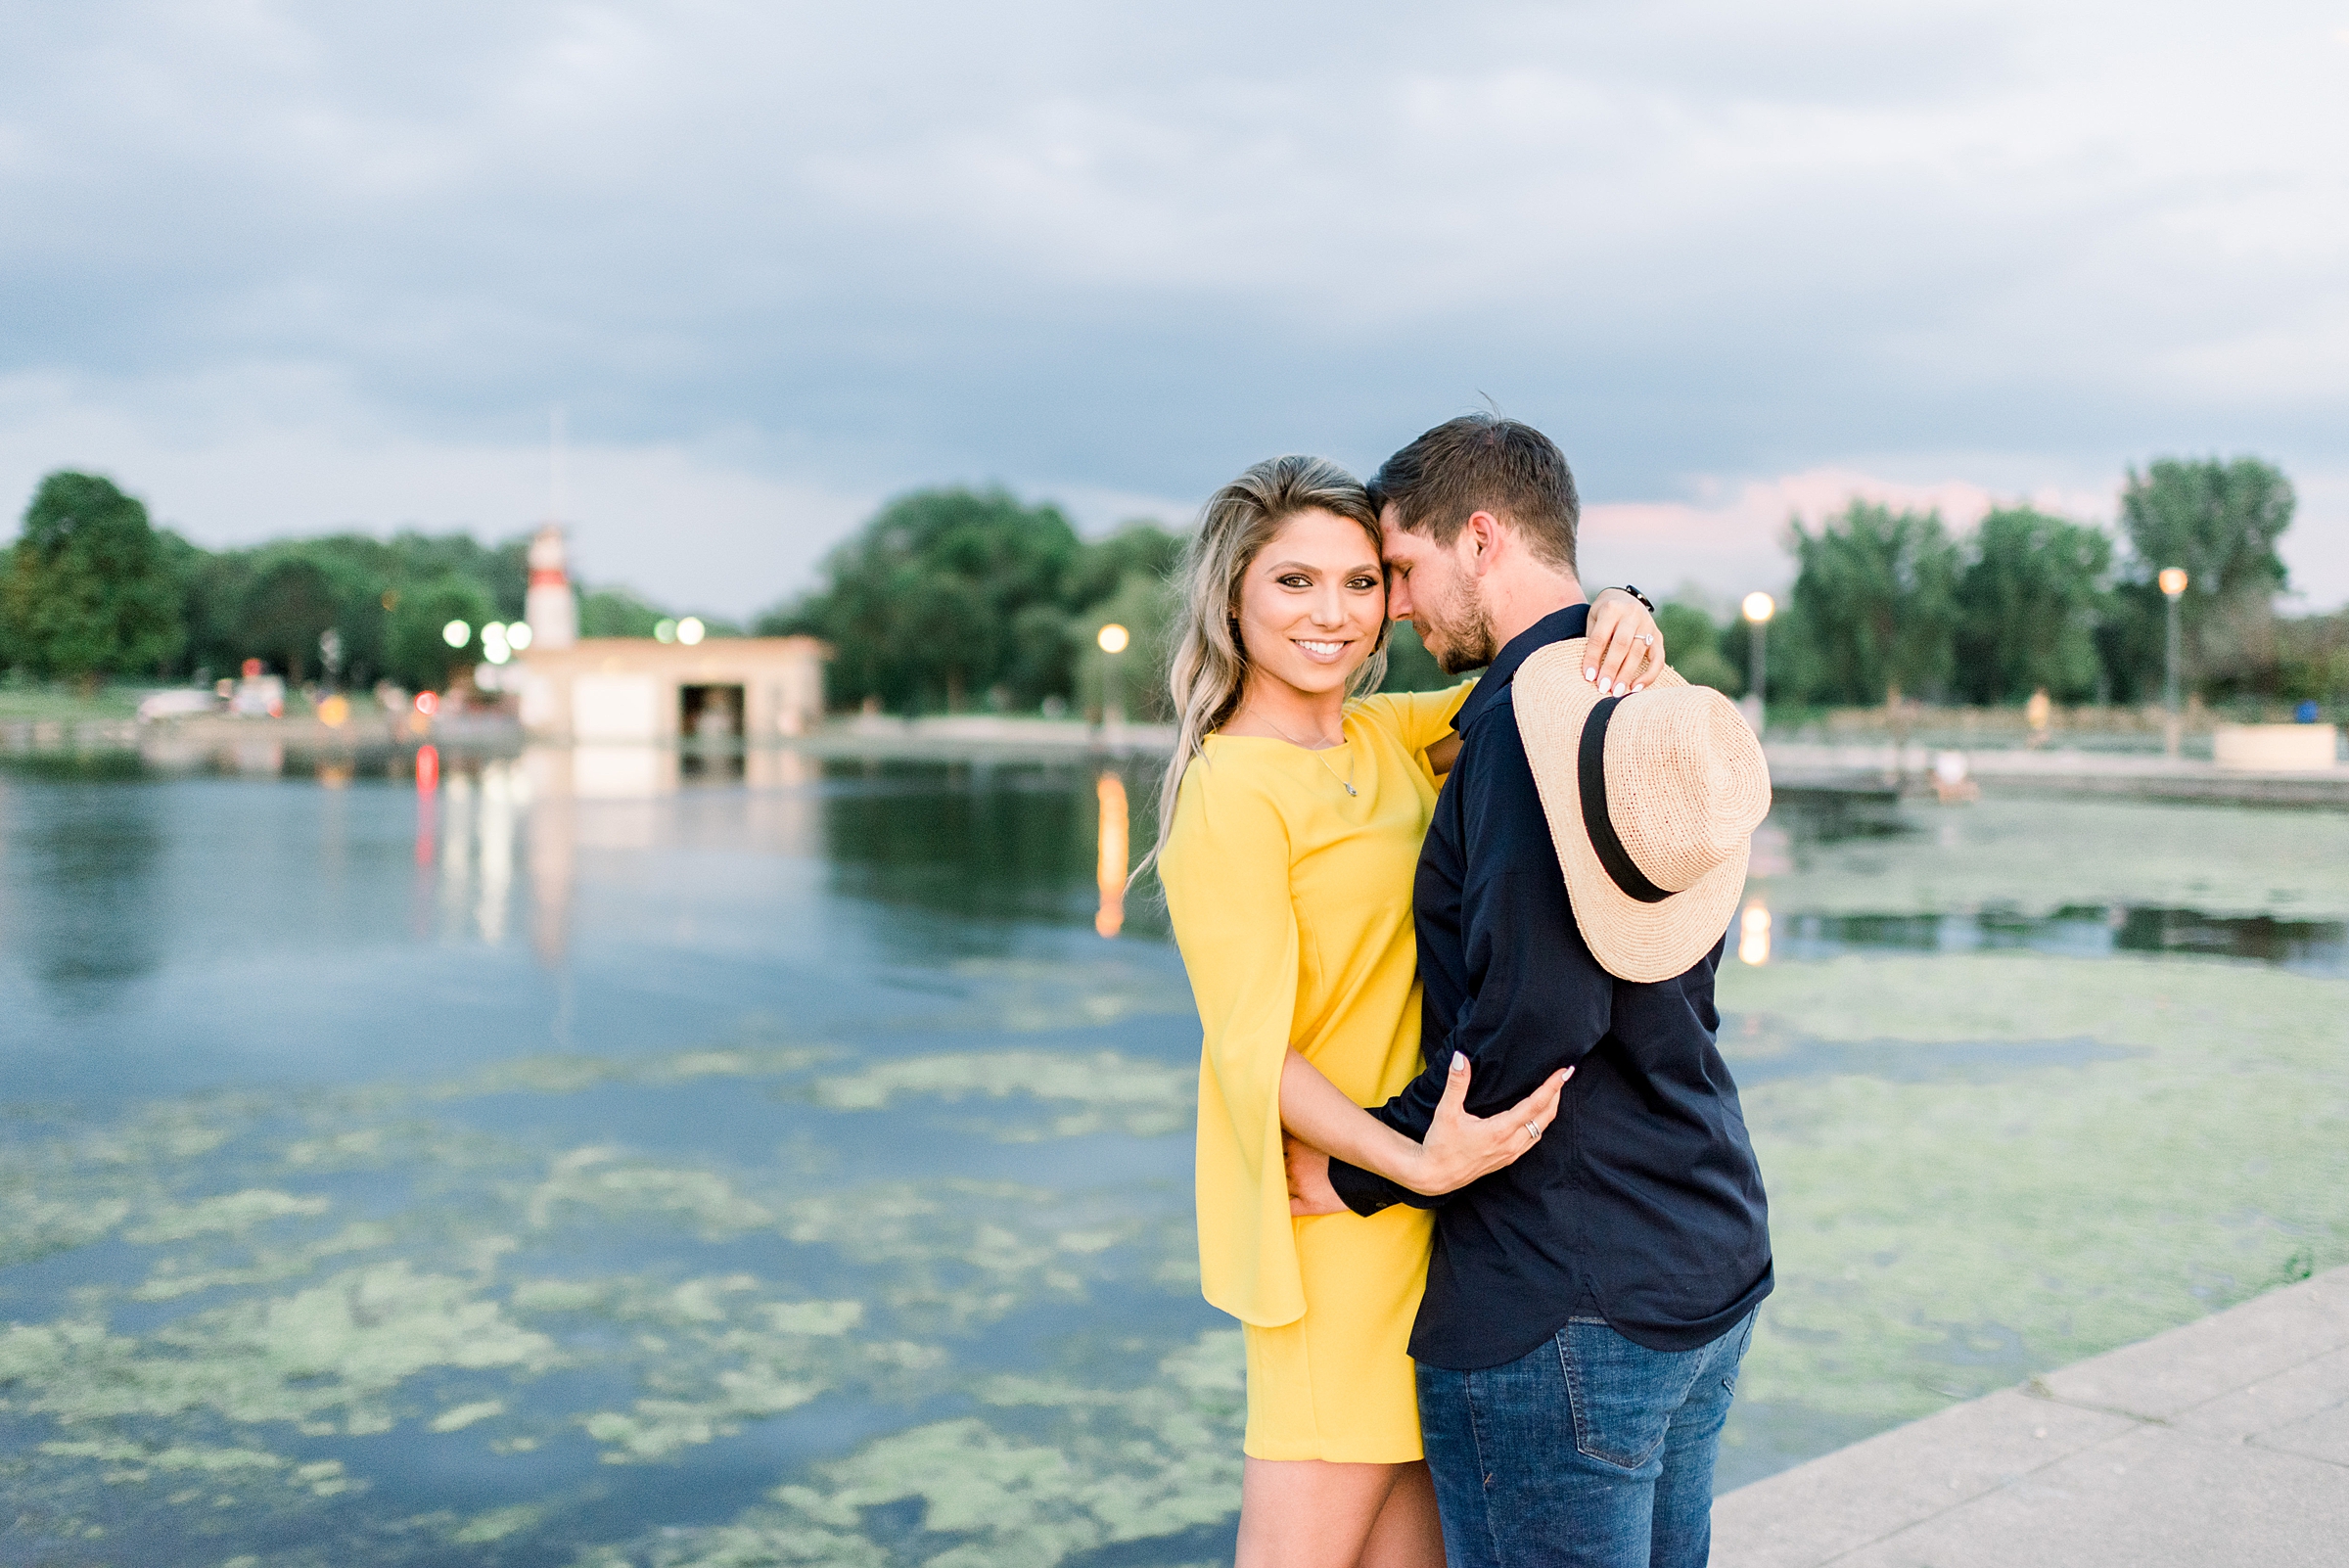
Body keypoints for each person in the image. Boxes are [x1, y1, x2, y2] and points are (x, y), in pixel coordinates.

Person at [1152, 453, 1669, 1568]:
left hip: (1442, 1227)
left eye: (1361, 581)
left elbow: (1546, 662)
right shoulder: (1227, 792)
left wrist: (1626, 609)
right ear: (1231, 596)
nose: (1334, 615)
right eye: (1293, 583)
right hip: (1339, 1224)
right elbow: (1252, 1054)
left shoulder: (1392, 735)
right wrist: (1409, 1164)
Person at [1286, 414, 1775, 1568]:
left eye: (1400, 568)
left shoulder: (1519, 727)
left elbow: (1537, 1022)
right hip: (1705, 1241)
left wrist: (1356, 1164)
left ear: (1483, 538)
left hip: (1565, 1298)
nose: (1394, 608)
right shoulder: (1643, 697)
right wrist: (1626, 599)